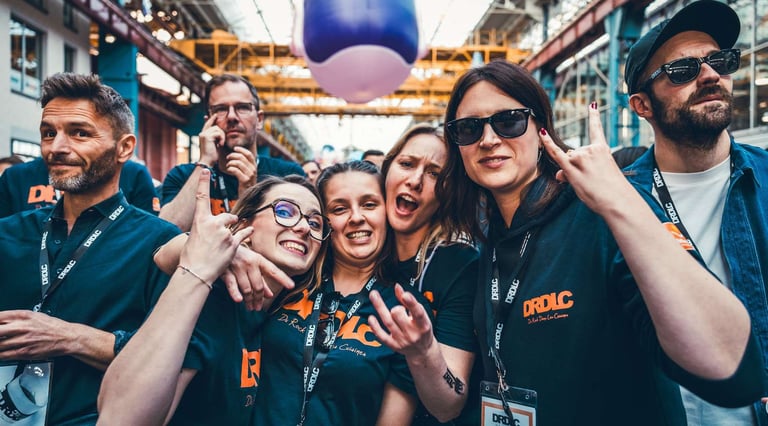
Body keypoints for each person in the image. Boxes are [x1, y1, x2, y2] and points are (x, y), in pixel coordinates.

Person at [440, 60, 764, 425]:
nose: (488, 139)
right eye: (468, 128)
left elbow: (732, 368)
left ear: (541, 127)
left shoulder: (601, 213)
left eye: (509, 120)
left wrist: (619, 202)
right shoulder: (489, 242)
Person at [0, 73, 179, 424]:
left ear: (124, 147)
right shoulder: (8, 235)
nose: (56, 147)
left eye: (79, 133)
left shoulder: (158, 244)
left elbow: (172, 359)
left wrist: (70, 337)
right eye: (49, 133)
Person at [623, 1, 768, 424]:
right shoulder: (617, 202)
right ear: (642, 106)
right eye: (682, 71)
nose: (709, 76)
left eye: (719, 62)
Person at [98, 171, 325, 424]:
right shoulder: (213, 298)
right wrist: (199, 264)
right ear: (243, 224)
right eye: (284, 211)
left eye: (315, 223)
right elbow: (121, 418)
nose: (304, 227)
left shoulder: (280, 312)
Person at [251, 161, 431, 425]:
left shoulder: (404, 308)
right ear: (323, 223)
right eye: (339, 208)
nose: (356, 217)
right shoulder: (291, 277)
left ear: (387, 212)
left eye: (369, 204)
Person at [370, 123, 479, 424]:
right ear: (387, 170)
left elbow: (450, 404)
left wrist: (423, 353)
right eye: (407, 164)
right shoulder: (360, 251)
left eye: (435, 174)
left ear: (449, 191)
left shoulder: (459, 264)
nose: (415, 181)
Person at [160, 74, 305, 231]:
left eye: (242, 107)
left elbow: (294, 233)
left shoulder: (287, 175)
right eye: (221, 109)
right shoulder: (182, 176)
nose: (232, 117)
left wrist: (249, 193)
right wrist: (205, 162)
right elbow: (167, 232)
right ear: (208, 121)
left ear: (259, 119)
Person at [0, 155, 160, 217]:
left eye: (80, 133)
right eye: (50, 133)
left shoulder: (132, 173)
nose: (59, 144)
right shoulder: (15, 177)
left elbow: (150, 240)